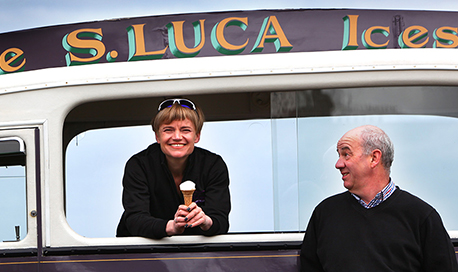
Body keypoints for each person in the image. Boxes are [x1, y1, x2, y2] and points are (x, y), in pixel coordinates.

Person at [300, 125, 458, 271]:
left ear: (374, 158)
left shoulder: (422, 217)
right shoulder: (325, 214)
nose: (338, 164)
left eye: (346, 154)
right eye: (339, 155)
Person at [116, 98, 231, 239]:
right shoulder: (139, 165)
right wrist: (172, 226)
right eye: (168, 130)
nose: (177, 137)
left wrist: (205, 221)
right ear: (157, 136)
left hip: (197, 252)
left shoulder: (213, 165)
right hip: (143, 253)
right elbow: (135, 220)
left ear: (197, 136)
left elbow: (221, 221)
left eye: (186, 130)